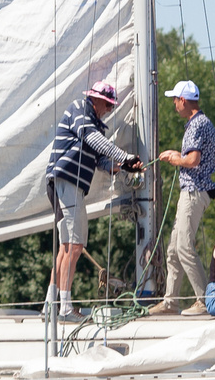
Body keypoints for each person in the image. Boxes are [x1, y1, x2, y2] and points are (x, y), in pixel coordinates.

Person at [44, 79, 143, 316]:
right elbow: (90, 138)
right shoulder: (79, 110)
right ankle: (65, 307)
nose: (110, 109)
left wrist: (124, 166)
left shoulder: (95, 125)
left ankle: (50, 306)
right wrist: (125, 155)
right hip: (66, 181)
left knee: (66, 247)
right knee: (75, 246)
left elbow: (101, 162)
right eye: (108, 105)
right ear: (96, 99)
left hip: (63, 184)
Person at [153, 80, 215, 313]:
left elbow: (192, 160)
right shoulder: (202, 123)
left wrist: (175, 158)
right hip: (195, 191)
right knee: (173, 249)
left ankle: (204, 299)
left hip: (194, 191)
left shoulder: (196, 125)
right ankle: (171, 301)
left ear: (183, 100)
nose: (174, 104)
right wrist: (177, 155)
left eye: (175, 99)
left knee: (183, 247)